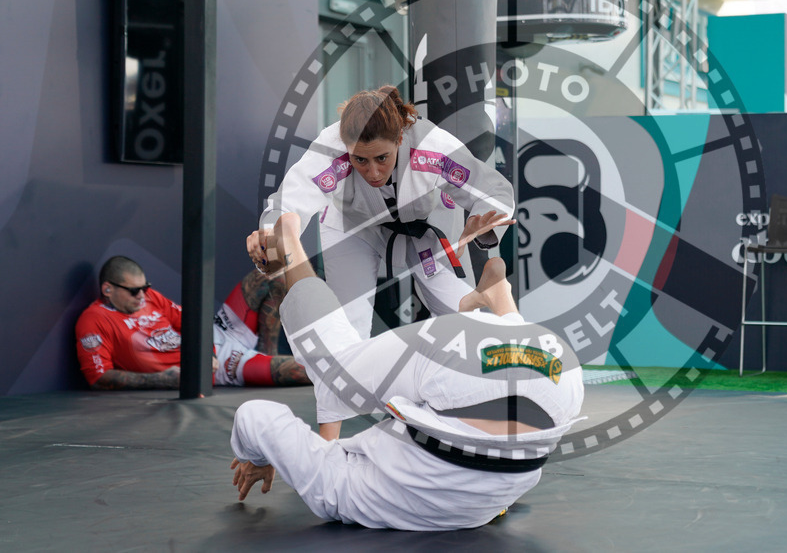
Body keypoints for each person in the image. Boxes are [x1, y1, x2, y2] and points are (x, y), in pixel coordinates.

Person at [229, 212, 584, 531]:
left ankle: (502, 302)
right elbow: (255, 418)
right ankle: (288, 249)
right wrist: (256, 456)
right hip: (478, 388)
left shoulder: (343, 489)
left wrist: (261, 454)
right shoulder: (341, 492)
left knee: (341, 372)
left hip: (556, 381)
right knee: (337, 371)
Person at [246, 85, 515, 343]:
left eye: (382, 158)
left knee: (461, 321)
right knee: (348, 328)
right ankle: (350, 389)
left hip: (426, 226)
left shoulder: (431, 145)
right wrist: (269, 237)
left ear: (399, 139)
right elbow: (287, 204)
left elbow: (494, 190)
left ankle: (467, 369)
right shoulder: (331, 148)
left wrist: (484, 224)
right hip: (353, 227)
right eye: (360, 160)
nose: (373, 172)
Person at [75, 257, 311, 390]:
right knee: (309, 370)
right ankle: (262, 365)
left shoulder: (150, 297)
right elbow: (99, 378)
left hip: (217, 334)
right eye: (134, 291)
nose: (142, 296)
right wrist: (165, 378)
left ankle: (265, 353)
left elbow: (192, 321)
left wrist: (204, 350)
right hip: (223, 364)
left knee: (272, 274)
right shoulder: (94, 320)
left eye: (145, 288)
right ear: (107, 289)